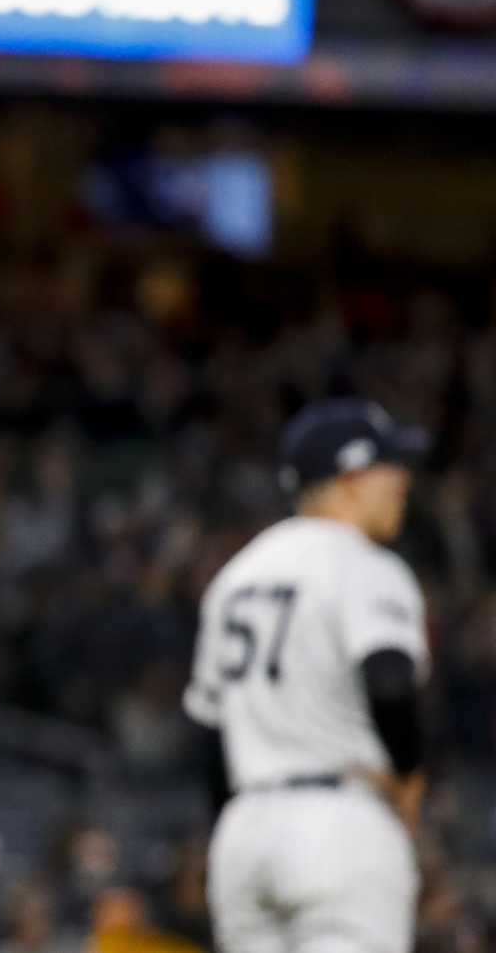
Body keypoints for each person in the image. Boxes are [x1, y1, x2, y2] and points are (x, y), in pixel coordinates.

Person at [183, 398, 431, 953]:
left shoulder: (237, 575)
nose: (403, 480)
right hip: (338, 821)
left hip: (243, 834)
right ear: (350, 477)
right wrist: (410, 778)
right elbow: (390, 680)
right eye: (389, 466)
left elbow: (209, 734)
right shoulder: (364, 564)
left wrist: (240, 827)